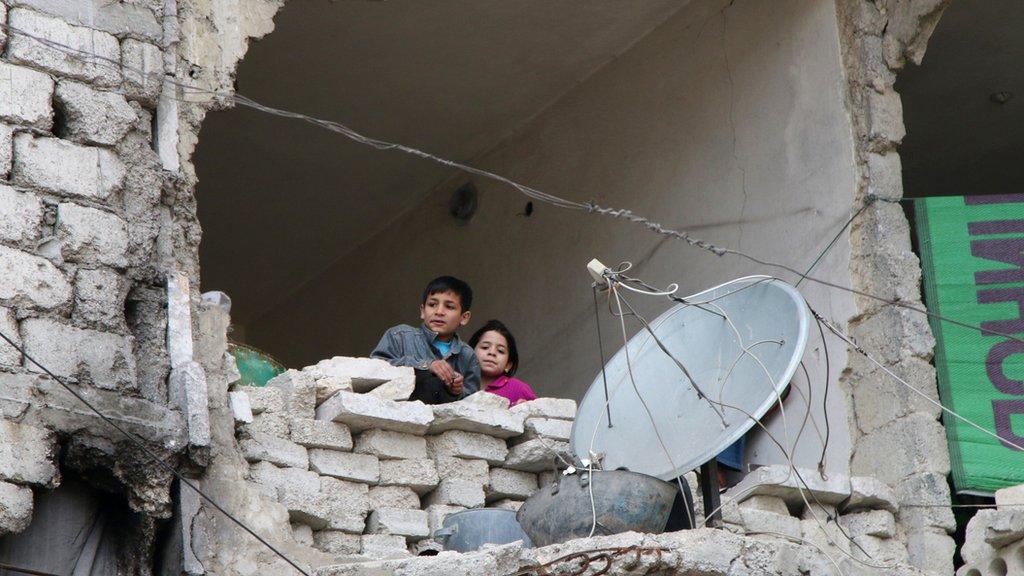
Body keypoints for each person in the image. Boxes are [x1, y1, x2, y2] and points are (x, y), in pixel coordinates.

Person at [371, 276, 480, 404]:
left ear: (464, 317)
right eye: (432, 305)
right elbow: (375, 368)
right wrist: (426, 365)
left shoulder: (468, 356)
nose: (439, 311)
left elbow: (475, 402)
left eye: (449, 307)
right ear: (423, 311)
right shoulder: (399, 336)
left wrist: (457, 390)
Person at [468, 320, 537, 406]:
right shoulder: (457, 385)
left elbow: (540, 415)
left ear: (508, 365)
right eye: (485, 347)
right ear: (469, 353)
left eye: (500, 351)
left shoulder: (518, 388)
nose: (492, 352)